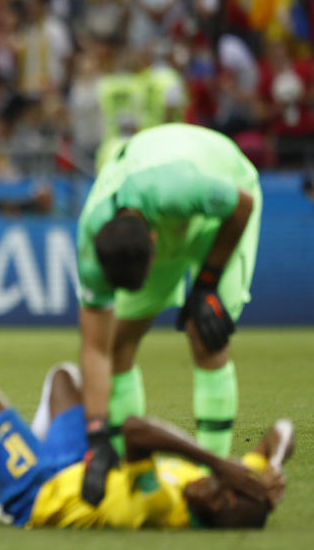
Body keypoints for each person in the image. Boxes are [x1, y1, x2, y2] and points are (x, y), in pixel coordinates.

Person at [0, 361, 293, 529]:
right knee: (67, 377)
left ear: (218, 512)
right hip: (79, 468)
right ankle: (12, 476)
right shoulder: (208, 486)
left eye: (219, 493)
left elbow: (136, 431)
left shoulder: (162, 506)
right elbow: (283, 431)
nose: (211, 484)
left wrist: (220, 463)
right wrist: (268, 465)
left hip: (41, 493)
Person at [75, 123, 262, 505]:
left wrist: (207, 283)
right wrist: (96, 435)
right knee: (119, 341)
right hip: (160, 203)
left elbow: (242, 205)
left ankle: (214, 476)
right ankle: (133, 474)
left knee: (206, 332)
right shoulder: (91, 251)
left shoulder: (178, 188)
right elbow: (96, 349)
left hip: (224, 193)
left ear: (155, 245)